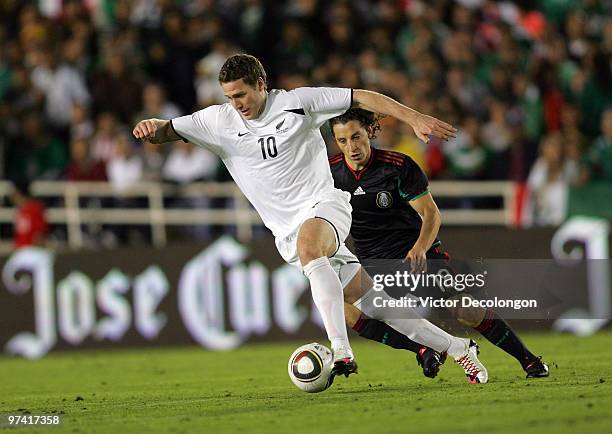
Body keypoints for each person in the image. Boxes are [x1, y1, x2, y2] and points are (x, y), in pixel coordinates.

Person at [133, 54, 487, 382]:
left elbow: (360, 96)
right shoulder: (218, 121)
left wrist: (412, 117)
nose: (237, 104)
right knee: (376, 305)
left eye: (241, 94)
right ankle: (458, 348)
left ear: (261, 84)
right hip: (284, 231)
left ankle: (341, 351)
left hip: (325, 205)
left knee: (310, 246)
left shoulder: (298, 103)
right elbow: (170, 129)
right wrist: (153, 127)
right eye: (229, 97)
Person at [328, 108, 549, 379]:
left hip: (416, 253)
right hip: (372, 263)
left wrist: (420, 246)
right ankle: (423, 349)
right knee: (347, 312)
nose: (351, 147)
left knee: (464, 307)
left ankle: (528, 360)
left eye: (356, 137)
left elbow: (431, 214)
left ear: (369, 133)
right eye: (342, 141)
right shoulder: (330, 174)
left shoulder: (398, 166)